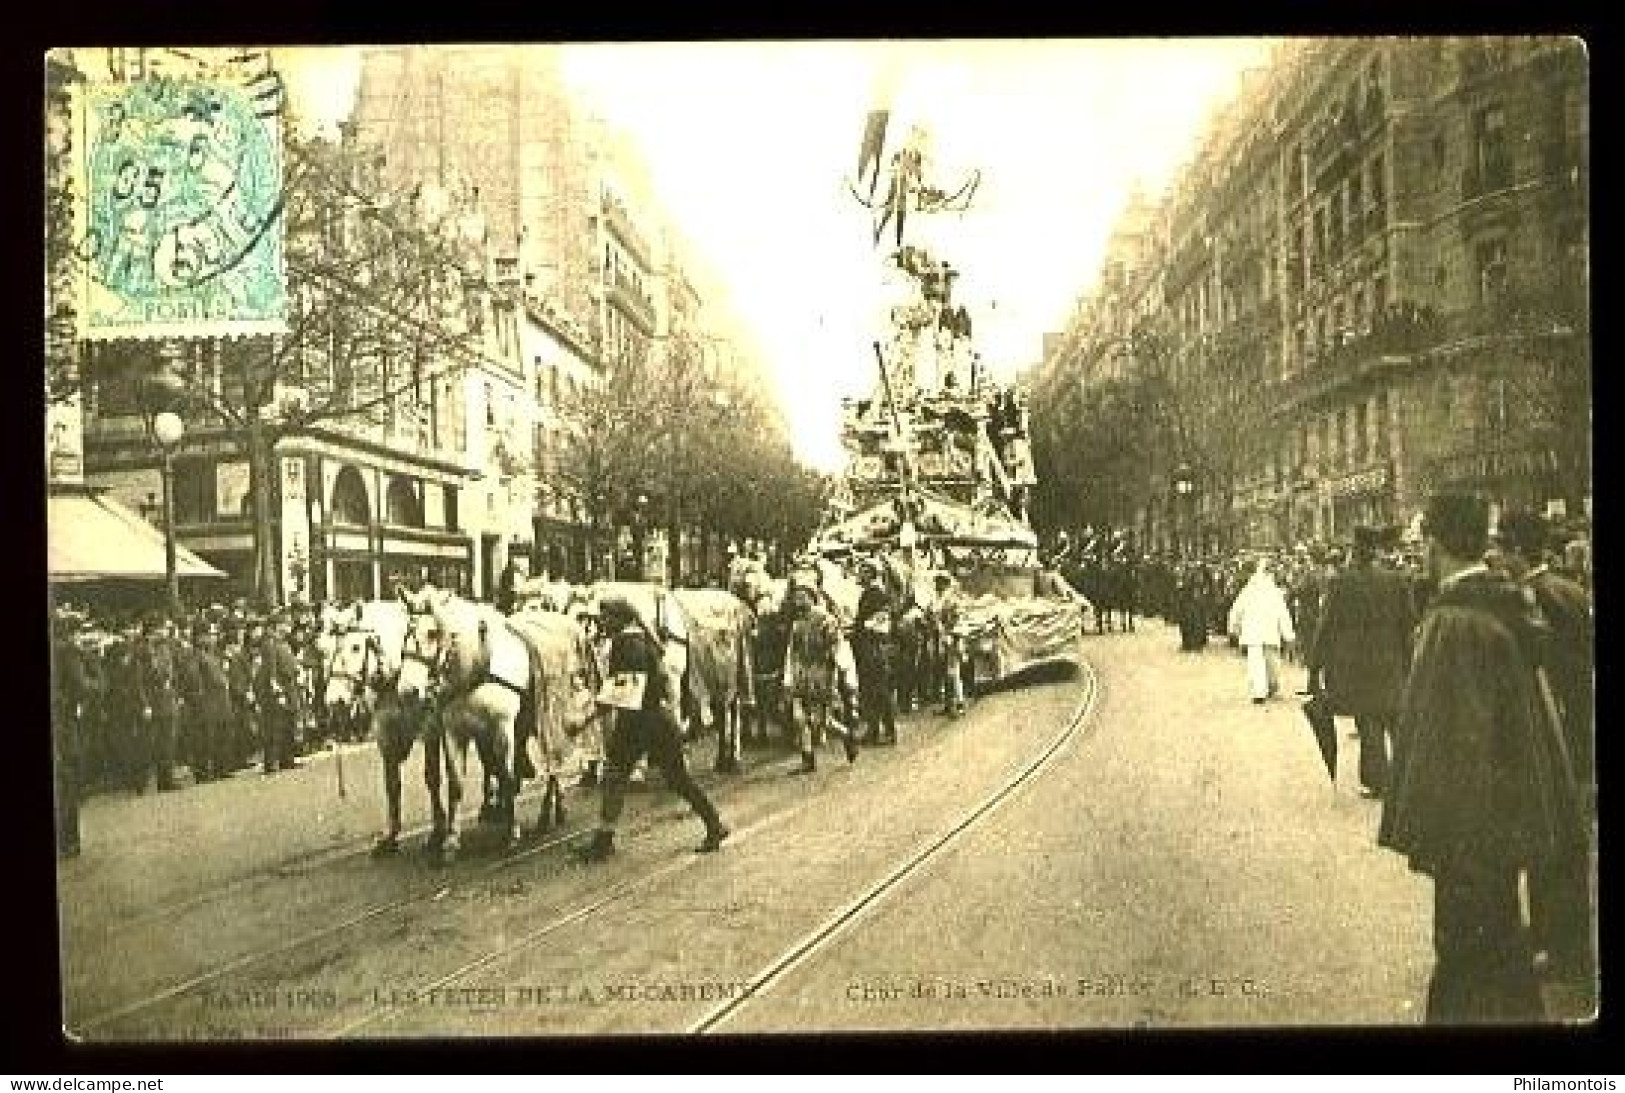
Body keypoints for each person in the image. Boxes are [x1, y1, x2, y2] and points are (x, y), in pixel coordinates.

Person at [1378, 493, 1587, 1023]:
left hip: (1470, 834)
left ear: (1438, 542)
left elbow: (1458, 740)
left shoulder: (1457, 623)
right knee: (1500, 955)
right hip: (1503, 824)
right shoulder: (1500, 606)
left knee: (1469, 964)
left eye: (1426, 538)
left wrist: (1442, 835)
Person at [1494, 510, 1596, 1000]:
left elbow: (1550, 670)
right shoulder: (1571, 591)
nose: (1495, 556)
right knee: (1564, 838)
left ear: (1518, 551)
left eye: (1501, 547)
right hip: (1576, 725)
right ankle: (1560, 940)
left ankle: (1561, 946)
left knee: (1552, 836)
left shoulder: (1534, 598)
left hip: (1555, 729)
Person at [572, 594, 729, 862]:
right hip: (656, 720)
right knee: (671, 779)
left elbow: (623, 691)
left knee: (620, 775)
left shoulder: (628, 644)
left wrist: (584, 720)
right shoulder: (642, 640)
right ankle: (713, 824)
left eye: (607, 616)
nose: (602, 621)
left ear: (620, 618)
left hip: (639, 722)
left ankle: (604, 841)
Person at [1306, 526, 1417, 799]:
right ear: (1376, 551)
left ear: (1355, 551)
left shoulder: (1341, 583)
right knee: (1395, 717)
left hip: (1355, 665)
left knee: (1369, 720)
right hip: (1391, 659)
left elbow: (1326, 626)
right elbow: (1409, 622)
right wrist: (1408, 658)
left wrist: (1315, 668)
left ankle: (1378, 781)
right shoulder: (1396, 580)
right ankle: (1407, 779)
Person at [783, 583, 858, 773]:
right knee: (799, 718)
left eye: (803, 597)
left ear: (812, 597)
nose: (799, 601)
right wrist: (789, 676)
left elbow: (836, 646)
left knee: (822, 722)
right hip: (802, 675)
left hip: (821, 674)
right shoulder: (797, 624)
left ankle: (847, 736)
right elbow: (793, 652)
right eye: (796, 597)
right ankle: (808, 759)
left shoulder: (825, 619)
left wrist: (837, 670)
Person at [1226, 559, 1296, 704]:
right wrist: (1288, 635)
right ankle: (1266, 688)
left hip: (1253, 633)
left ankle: (1261, 690)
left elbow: (1236, 610)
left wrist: (1233, 627)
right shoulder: (1273, 592)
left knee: (1257, 662)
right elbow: (1283, 614)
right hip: (1269, 633)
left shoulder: (1248, 590)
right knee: (1270, 662)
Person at [852, 559, 899, 745]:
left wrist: (861, 627)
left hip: (874, 647)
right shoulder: (870, 593)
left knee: (878, 689)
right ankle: (877, 730)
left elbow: (881, 622)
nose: (860, 574)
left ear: (871, 574)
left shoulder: (876, 594)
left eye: (863, 571)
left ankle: (884, 731)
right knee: (873, 690)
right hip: (868, 646)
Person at [255, 612, 303, 774]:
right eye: (284, 623)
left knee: (287, 724)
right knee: (275, 726)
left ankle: (287, 759)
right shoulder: (269, 643)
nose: (288, 626)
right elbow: (271, 668)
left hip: (289, 685)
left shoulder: (282, 642)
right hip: (280, 688)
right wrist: (277, 689)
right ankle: (272, 762)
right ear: (277, 626)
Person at [932, 572, 967, 717]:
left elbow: (956, 619)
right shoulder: (939, 598)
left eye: (939, 582)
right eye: (936, 582)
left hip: (952, 637)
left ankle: (959, 704)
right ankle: (948, 704)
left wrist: (951, 635)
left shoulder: (951, 599)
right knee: (946, 673)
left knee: (953, 672)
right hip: (943, 637)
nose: (936, 585)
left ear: (945, 583)